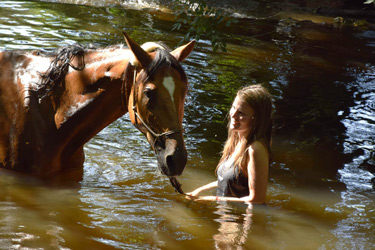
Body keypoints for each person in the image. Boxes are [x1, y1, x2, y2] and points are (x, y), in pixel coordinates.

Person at [187, 84, 273, 204]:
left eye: (241, 113)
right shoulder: (236, 140)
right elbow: (228, 181)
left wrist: (213, 199)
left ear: (256, 118)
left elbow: (256, 200)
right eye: (233, 108)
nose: (233, 115)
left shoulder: (255, 149)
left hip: (241, 219)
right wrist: (200, 191)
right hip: (226, 215)